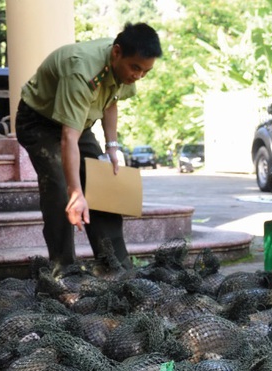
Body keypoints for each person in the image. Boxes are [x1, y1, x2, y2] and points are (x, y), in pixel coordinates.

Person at [15, 23, 162, 270]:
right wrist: (76, 193)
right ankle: (64, 268)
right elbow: (67, 138)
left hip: (78, 124)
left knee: (103, 184)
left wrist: (112, 147)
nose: (138, 76)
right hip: (39, 122)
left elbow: (111, 101)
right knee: (60, 190)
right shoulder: (81, 70)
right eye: (136, 68)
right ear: (116, 52)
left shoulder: (125, 67)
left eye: (145, 72)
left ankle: (114, 264)